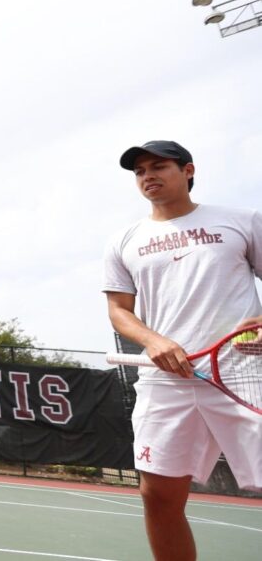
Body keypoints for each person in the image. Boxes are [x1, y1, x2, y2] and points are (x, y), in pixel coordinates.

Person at [103, 140, 262, 561]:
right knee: (158, 495)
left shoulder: (241, 221)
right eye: (139, 172)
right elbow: (119, 311)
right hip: (165, 382)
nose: (148, 176)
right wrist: (154, 341)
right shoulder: (125, 240)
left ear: (188, 170)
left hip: (243, 372)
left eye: (159, 167)